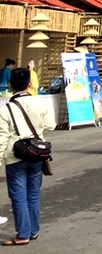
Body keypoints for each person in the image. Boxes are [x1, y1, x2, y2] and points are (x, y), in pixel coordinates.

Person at [0, 67, 55, 244]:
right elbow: (50, 125)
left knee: (18, 196)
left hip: (14, 156)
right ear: (30, 83)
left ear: (10, 85)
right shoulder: (42, 103)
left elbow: (2, 137)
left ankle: (23, 234)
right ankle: (33, 230)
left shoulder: (6, 109)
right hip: (37, 153)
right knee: (33, 194)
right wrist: (36, 132)